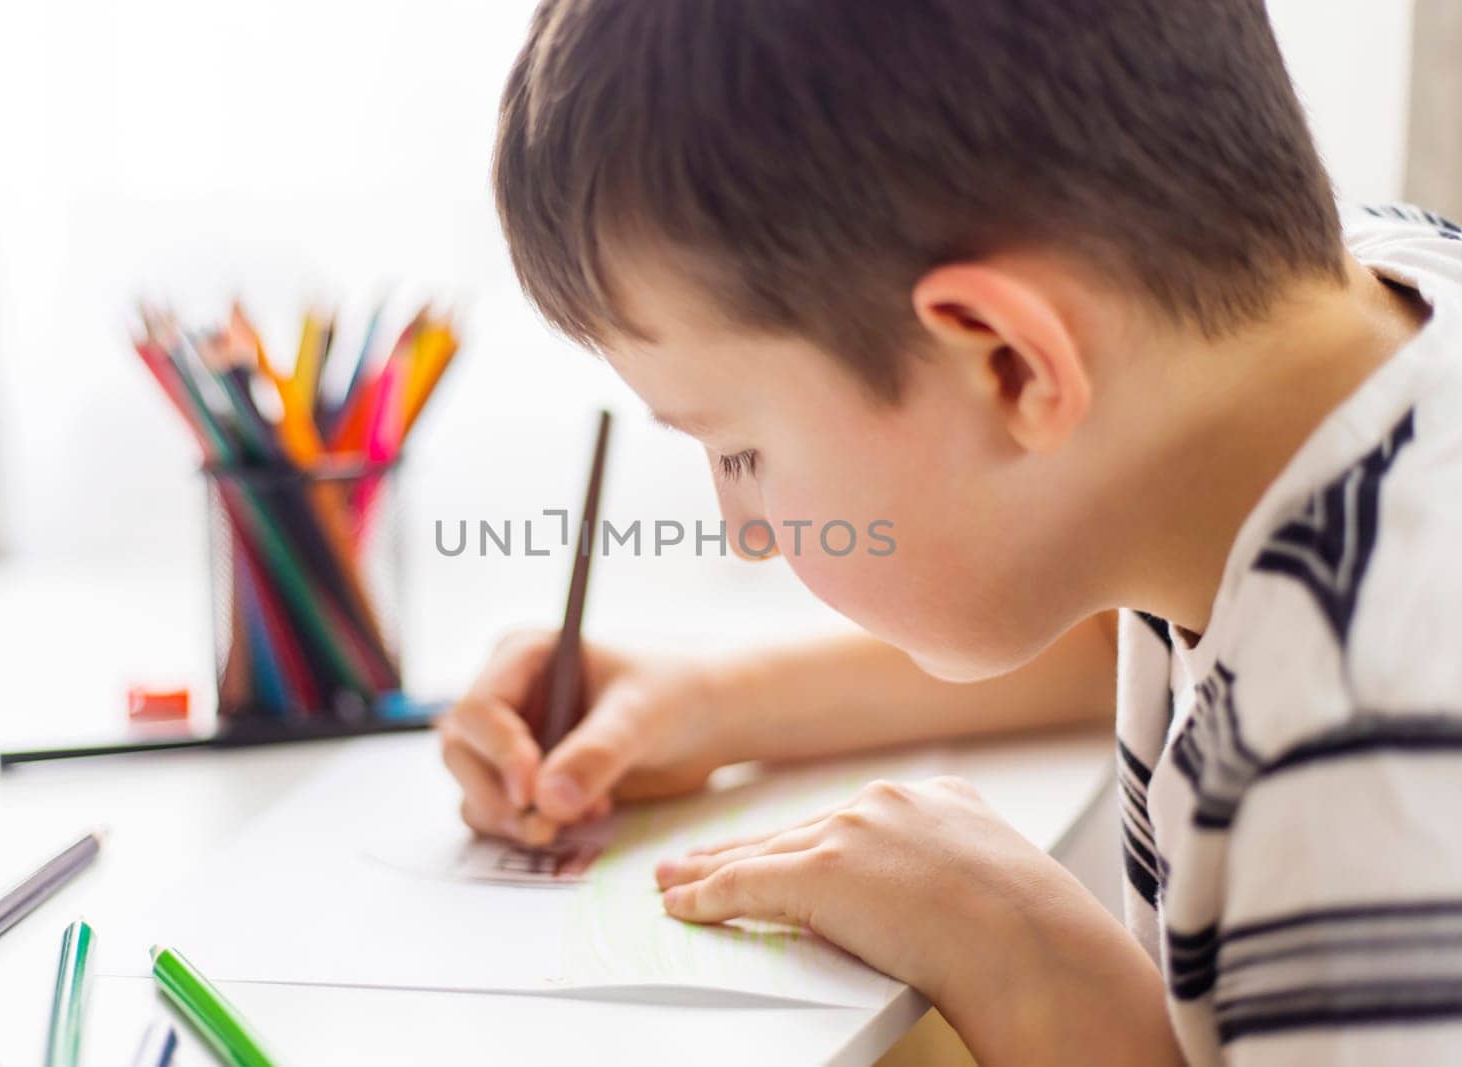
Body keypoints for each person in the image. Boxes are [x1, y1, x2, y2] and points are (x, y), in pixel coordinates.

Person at [440, 1, 1462, 1062]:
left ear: (1010, 364)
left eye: (740, 451)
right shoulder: (1367, 298)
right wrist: (716, 703)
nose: (740, 530)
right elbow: (1134, 624)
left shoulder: (1363, 768)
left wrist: (1028, 962)